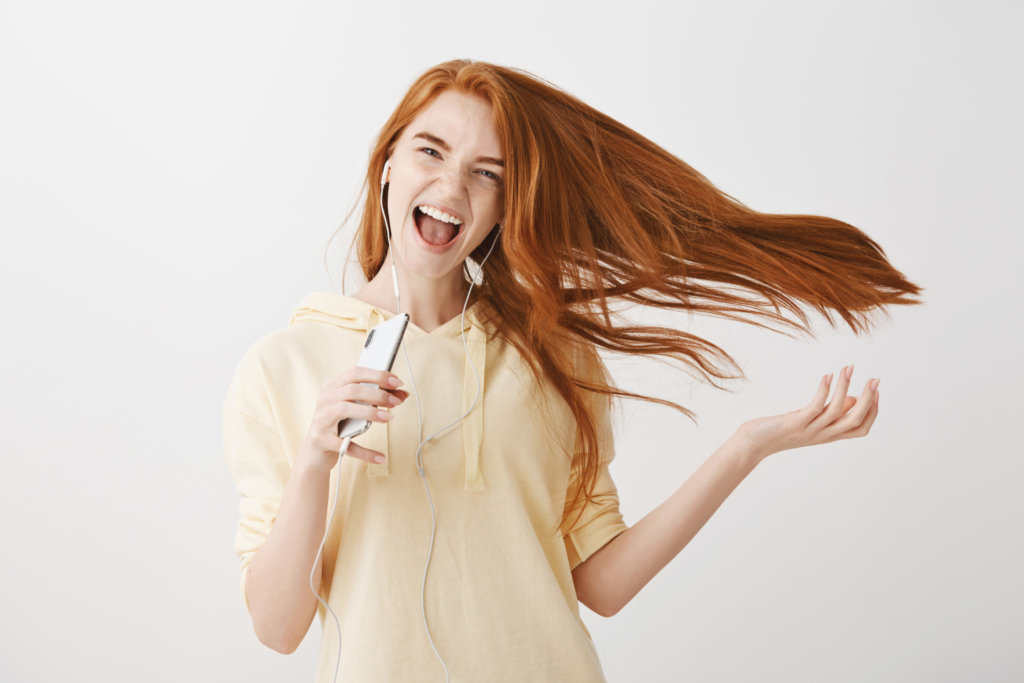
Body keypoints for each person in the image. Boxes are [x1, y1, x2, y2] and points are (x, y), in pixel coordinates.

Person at [223, 59, 922, 682]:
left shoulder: (552, 352)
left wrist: (747, 447)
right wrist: (316, 461)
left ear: (503, 204)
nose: (451, 185)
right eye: (430, 152)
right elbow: (277, 629)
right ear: (388, 164)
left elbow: (603, 584)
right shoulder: (282, 366)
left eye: (486, 173)